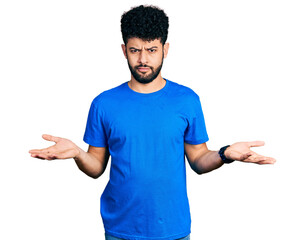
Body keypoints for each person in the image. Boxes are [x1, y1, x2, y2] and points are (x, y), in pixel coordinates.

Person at [29, 5, 276, 240]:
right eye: (135, 50)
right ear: (124, 50)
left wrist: (225, 154)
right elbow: (96, 167)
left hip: (172, 228)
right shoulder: (103, 103)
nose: (143, 59)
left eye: (152, 50)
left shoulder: (187, 100)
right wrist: (77, 154)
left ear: (165, 50)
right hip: (120, 228)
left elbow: (199, 160)